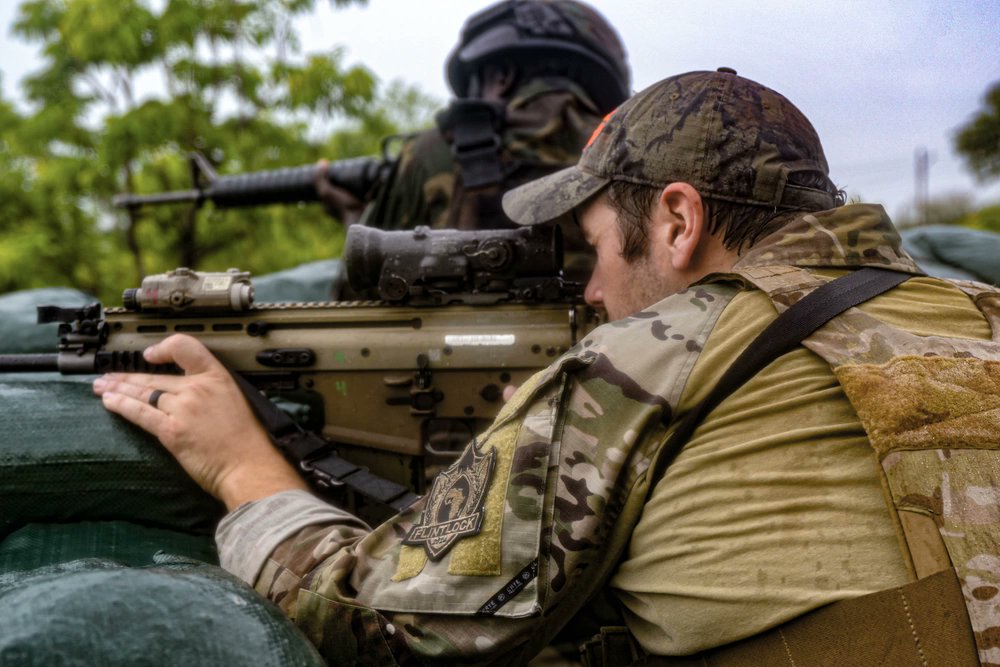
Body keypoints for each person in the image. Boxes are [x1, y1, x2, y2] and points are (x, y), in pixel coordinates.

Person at [93, 69, 1000, 665]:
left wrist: (246, 471)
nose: (593, 288)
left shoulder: (648, 356)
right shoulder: (981, 309)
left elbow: (385, 629)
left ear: (678, 223)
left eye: (597, 243)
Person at [316, 0, 631, 281]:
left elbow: (364, 288)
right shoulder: (635, 152)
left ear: (502, 77)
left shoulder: (432, 153)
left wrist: (352, 217)